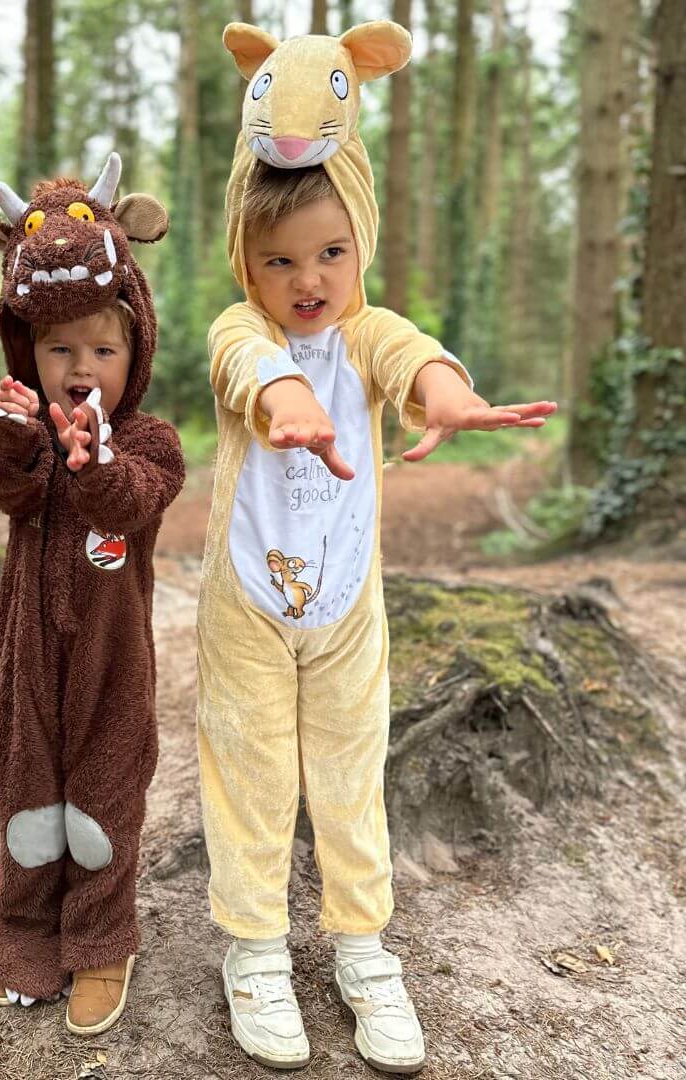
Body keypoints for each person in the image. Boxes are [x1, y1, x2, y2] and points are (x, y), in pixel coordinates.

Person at [197, 22, 557, 1073]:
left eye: (331, 253)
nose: (308, 278)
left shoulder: (367, 331)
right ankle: (255, 951)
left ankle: (363, 946)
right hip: (248, 607)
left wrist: (457, 399)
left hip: (349, 608)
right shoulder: (240, 329)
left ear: (360, 242)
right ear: (245, 261)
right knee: (251, 774)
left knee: (351, 778)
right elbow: (247, 368)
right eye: (280, 260)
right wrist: (292, 403)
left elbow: (415, 360)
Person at [0, 153, 184, 1036]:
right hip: (27, 658)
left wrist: (92, 462)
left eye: (102, 348)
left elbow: (134, 499)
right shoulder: (26, 428)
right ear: (27, 351)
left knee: (103, 794)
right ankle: (23, 924)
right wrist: (11, 441)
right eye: (58, 349)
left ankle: (100, 937)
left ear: (136, 349)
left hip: (112, 663)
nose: (80, 366)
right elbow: (3, 488)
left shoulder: (152, 442)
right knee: (24, 786)